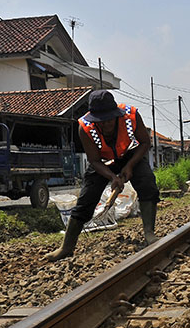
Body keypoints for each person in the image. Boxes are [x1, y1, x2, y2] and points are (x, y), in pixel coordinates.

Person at [46, 90, 159, 261]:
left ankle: (149, 233)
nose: (106, 125)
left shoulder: (131, 115)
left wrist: (129, 167)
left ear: (116, 115)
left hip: (130, 155)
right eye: (101, 122)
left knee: (148, 184)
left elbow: (145, 142)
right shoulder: (84, 127)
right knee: (86, 199)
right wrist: (113, 177)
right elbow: (94, 160)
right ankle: (66, 247)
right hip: (103, 162)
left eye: (109, 120)